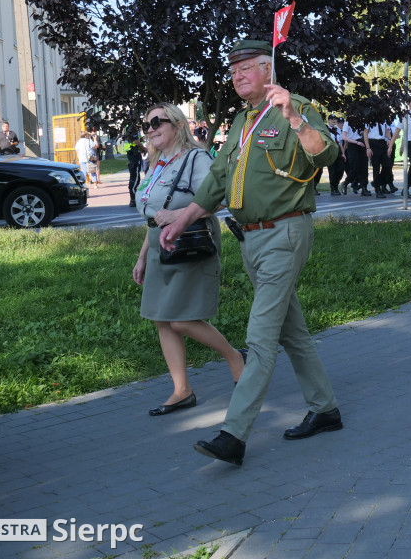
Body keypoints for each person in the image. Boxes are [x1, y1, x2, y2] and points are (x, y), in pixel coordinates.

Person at [160, 40, 342, 466]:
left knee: (260, 339)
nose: (238, 76)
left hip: (284, 232)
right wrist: (183, 219)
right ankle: (325, 408)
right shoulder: (242, 120)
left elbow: (327, 153)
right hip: (252, 239)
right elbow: (219, 180)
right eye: (234, 70)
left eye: (246, 68)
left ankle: (234, 435)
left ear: (268, 69)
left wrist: (295, 119)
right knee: (291, 331)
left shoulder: (292, 107)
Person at [132, 103, 244, 416]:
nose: (151, 128)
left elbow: (217, 201)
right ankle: (181, 390)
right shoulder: (156, 164)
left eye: (157, 121)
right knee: (162, 319)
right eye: (147, 124)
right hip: (160, 247)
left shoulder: (196, 158)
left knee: (180, 317)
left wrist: (178, 215)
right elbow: (154, 217)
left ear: (178, 124)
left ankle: (235, 357)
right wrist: (142, 257)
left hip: (189, 244)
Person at [363, 122, 393, 198]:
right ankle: (377, 189)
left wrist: (389, 139)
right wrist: (368, 148)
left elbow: (386, 130)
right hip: (373, 142)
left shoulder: (383, 119)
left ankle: (378, 182)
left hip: (382, 142)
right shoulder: (370, 120)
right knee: (376, 167)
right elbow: (365, 133)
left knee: (387, 165)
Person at [125, 134, 147, 207]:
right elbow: (137, 142)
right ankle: (134, 199)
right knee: (135, 178)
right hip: (134, 155)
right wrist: (144, 149)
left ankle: (133, 199)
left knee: (134, 177)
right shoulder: (133, 128)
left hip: (131, 155)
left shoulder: (127, 128)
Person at [326, 115, 346, 196]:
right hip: (330, 151)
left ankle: (336, 184)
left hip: (338, 151)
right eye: (332, 119)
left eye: (334, 120)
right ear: (329, 120)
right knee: (332, 170)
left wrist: (343, 153)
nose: (333, 121)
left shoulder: (337, 130)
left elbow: (340, 143)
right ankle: (333, 188)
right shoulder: (326, 130)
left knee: (340, 170)